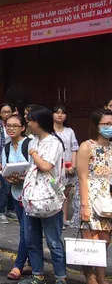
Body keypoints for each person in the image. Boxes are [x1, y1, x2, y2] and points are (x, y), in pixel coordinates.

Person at [21, 107, 67, 284]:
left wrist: (34, 154)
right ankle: (37, 274)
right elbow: (32, 169)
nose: (28, 123)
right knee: (31, 239)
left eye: (29, 120)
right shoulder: (33, 141)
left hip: (49, 198)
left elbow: (46, 166)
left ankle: (60, 276)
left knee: (53, 240)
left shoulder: (54, 143)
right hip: (31, 196)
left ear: (37, 122)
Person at [71, 109, 112, 284]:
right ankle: (90, 276)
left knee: (104, 240)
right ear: (96, 125)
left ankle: (101, 277)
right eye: (106, 124)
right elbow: (82, 177)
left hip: (107, 199)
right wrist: (84, 206)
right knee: (90, 241)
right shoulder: (86, 146)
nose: (109, 127)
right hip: (89, 196)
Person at [2, 115, 32, 281]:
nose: (11, 128)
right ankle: (32, 262)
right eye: (8, 125)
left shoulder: (28, 144)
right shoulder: (6, 148)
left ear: (22, 127)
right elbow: (5, 170)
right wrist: (10, 179)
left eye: (15, 125)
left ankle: (18, 265)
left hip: (31, 196)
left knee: (25, 232)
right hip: (16, 194)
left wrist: (22, 178)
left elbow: (35, 170)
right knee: (26, 230)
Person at [52, 105, 79, 228]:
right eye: (57, 112)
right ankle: (55, 219)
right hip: (55, 168)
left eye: (62, 113)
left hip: (69, 168)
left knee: (66, 193)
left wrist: (73, 165)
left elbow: (74, 149)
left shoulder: (70, 131)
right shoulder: (50, 132)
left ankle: (63, 219)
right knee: (56, 192)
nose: (60, 115)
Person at [0, 103, 15, 224]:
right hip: (1, 159)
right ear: (0, 113)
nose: (6, 114)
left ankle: (11, 210)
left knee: (13, 184)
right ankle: (0, 211)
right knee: (5, 186)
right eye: (4, 112)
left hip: (13, 159)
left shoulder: (15, 125)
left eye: (9, 111)